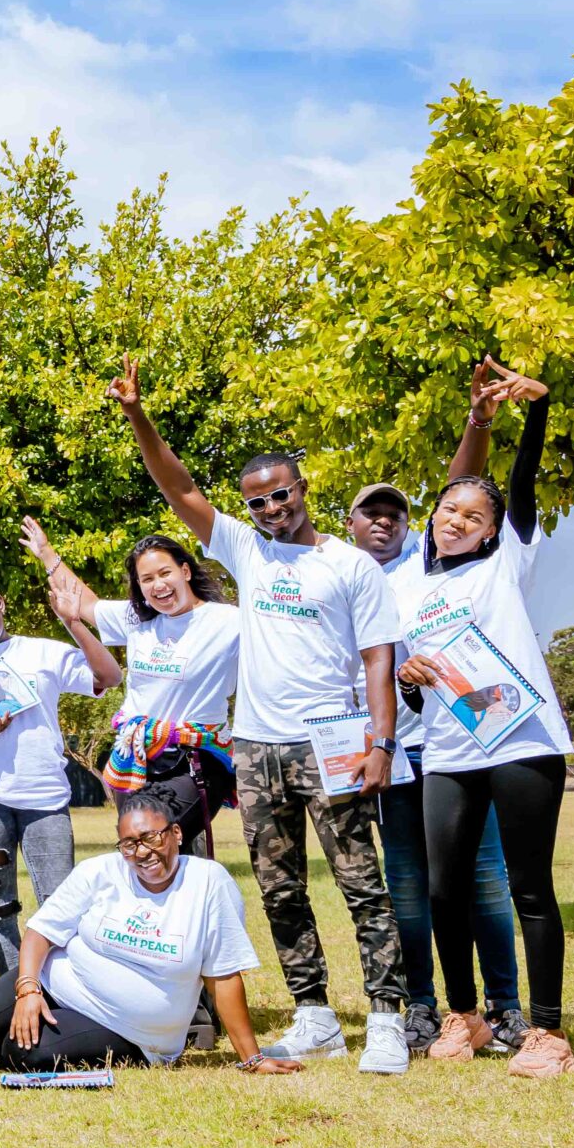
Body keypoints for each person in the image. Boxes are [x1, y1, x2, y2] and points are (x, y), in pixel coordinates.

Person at [111, 357, 413, 1074]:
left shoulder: (350, 566)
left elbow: (378, 659)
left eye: (281, 494)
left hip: (331, 741)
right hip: (255, 745)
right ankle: (313, 1015)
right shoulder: (247, 550)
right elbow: (177, 485)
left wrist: (381, 740)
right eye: (257, 502)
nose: (272, 509)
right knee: (280, 888)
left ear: (302, 489)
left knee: (361, 882)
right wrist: (137, 416)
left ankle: (387, 1019)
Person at [394, 362, 574, 1077]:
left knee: (529, 885)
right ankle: (464, 1015)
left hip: (522, 740)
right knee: (445, 888)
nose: (458, 521)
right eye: (449, 511)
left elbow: (523, 480)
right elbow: (421, 681)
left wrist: (535, 412)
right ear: (433, 517)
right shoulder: (409, 585)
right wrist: (410, 678)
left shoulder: (509, 565)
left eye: (475, 516)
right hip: (448, 748)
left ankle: (548, 1033)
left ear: (496, 529)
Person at [348, 361, 532, 1055]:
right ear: (352, 522)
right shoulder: (337, 568)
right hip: (390, 751)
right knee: (409, 886)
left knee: (485, 879)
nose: (385, 521)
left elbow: (464, 486)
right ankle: (425, 1008)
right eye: (373, 511)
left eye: (397, 511)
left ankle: (505, 1008)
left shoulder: (429, 562)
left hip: (461, 740)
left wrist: (478, 422)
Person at [0, 782, 297, 1074]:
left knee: (23, 1052)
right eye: (129, 843)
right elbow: (40, 934)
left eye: (151, 837)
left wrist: (252, 1058)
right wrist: (28, 989)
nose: (141, 852)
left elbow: (222, 976)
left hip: (131, 1031)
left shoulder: (209, 884)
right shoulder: (100, 872)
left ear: (176, 834)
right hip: (53, 986)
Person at [0, 536, 123, 976]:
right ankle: (19, 991)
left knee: (59, 903)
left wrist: (73, 623)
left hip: (45, 796)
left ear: (0, 602)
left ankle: (63, 990)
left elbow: (108, 677)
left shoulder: (42, 652)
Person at [28, 527, 241, 816]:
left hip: (195, 757)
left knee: (153, 833)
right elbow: (85, 603)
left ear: (186, 572)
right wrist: (46, 553)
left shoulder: (228, 621)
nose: (159, 585)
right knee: (142, 845)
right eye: (147, 579)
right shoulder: (138, 619)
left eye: (165, 573)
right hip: (136, 756)